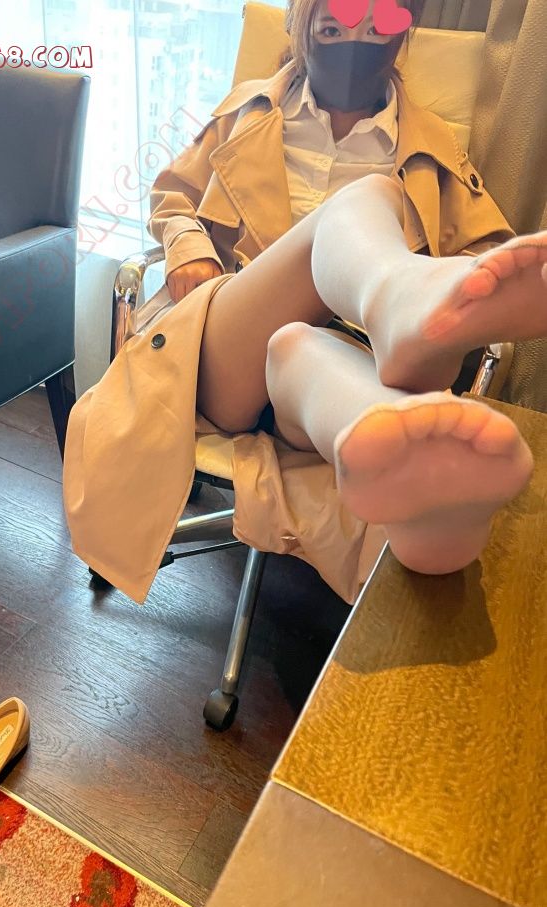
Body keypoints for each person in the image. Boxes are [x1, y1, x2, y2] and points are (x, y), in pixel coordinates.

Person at [63, 0, 547, 602]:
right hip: (229, 347)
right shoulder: (245, 113)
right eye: (334, 24)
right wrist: (188, 246)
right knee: (365, 200)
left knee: (301, 349)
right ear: (301, 24)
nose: (355, 43)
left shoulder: (432, 147)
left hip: (341, 357)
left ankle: (429, 502)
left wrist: (457, 279)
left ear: (405, 33)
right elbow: (172, 196)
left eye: (378, 26)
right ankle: (397, 294)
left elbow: (488, 255)